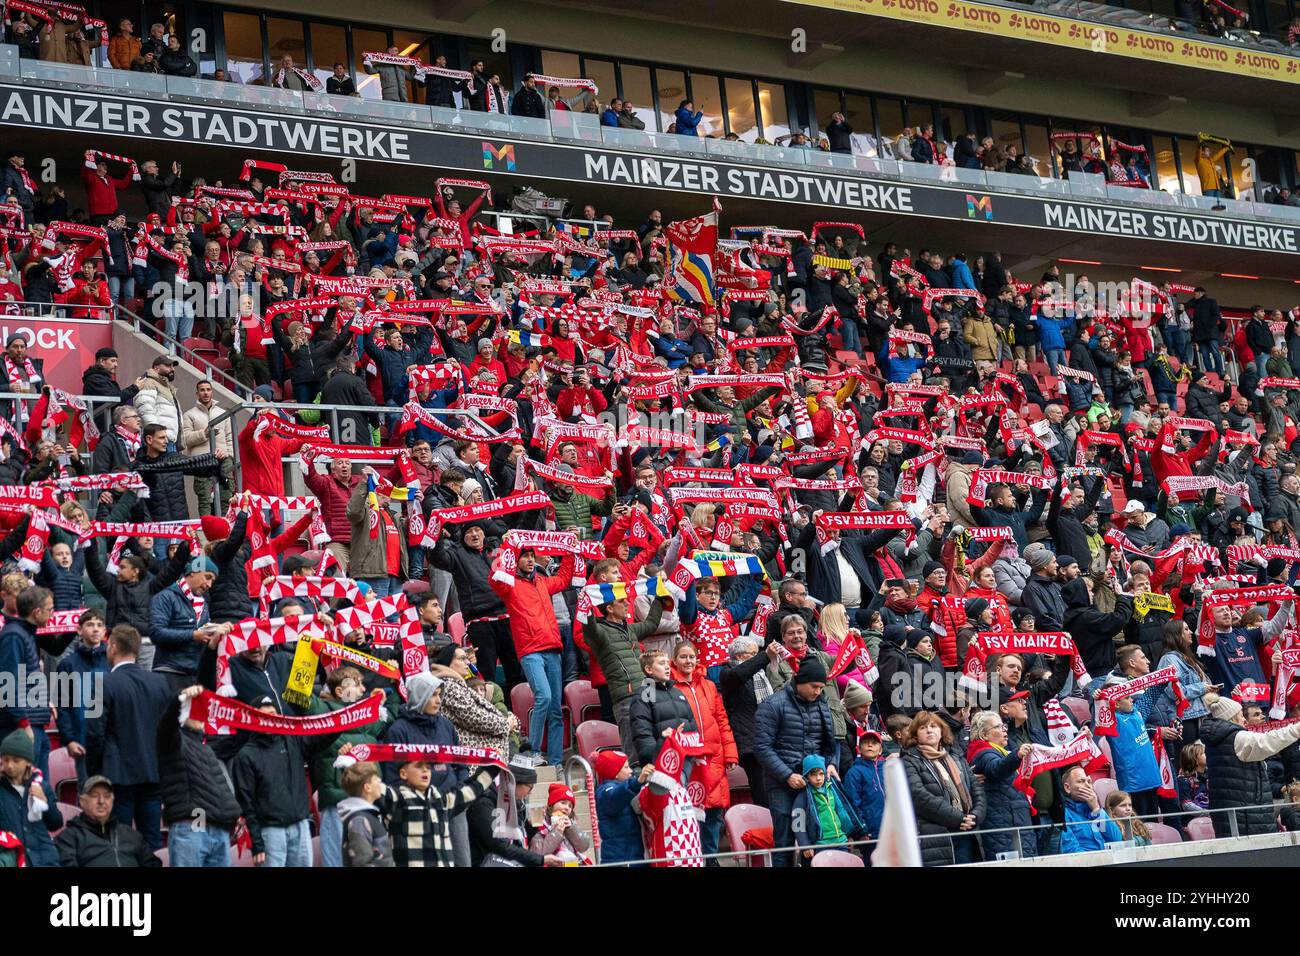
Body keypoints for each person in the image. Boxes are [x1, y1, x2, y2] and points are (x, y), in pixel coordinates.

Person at [84, 623, 174, 850]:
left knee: (118, 843)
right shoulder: (160, 682)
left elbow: (94, 733)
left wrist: (94, 773)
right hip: (153, 774)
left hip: (117, 777)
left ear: (112, 647)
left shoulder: (101, 683)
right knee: (152, 843)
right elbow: (170, 731)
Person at [490, 546, 573, 766]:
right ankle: (532, 752)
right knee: (544, 697)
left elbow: (564, 578)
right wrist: (506, 549)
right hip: (530, 650)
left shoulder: (543, 582)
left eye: (531, 556)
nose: (529, 560)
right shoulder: (509, 585)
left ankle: (555, 763)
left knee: (556, 710)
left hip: (553, 648)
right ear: (515, 560)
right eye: (524, 556)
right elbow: (494, 579)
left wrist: (570, 551)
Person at [753, 656, 838, 867]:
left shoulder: (822, 705)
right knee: (785, 842)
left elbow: (831, 743)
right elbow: (762, 748)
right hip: (782, 785)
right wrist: (787, 775)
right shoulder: (772, 705)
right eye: (814, 686)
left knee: (813, 838)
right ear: (799, 681)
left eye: (821, 687)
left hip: (813, 785)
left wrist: (831, 763)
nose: (818, 691)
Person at [669, 639, 738, 861]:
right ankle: (695, 858)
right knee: (693, 812)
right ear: (675, 660)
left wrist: (730, 752)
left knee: (715, 812)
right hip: (690, 759)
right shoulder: (669, 687)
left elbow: (721, 720)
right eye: (683, 657)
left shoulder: (708, 685)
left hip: (715, 756)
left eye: (691, 657)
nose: (688, 661)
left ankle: (711, 858)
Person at [1200, 693, 1300, 837]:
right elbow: (1270, 740)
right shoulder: (1237, 738)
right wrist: (1296, 729)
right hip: (1247, 818)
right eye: (1241, 715)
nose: (1244, 720)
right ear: (1232, 717)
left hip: (1238, 817)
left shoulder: (1219, 740)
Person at [901, 710, 985, 866]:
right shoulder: (909, 760)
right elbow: (919, 796)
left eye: (933, 726)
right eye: (923, 728)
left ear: (942, 731)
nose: (929, 730)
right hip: (937, 835)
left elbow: (976, 789)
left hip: (967, 830)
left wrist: (975, 815)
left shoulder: (955, 756)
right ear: (915, 735)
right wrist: (957, 817)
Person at [966, 709, 1035, 860]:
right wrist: (1017, 755)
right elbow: (996, 769)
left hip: (1013, 820)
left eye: (1003, 726)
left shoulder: (1000, 751)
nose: (1004, 730)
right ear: (984, 735)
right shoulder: (983, 753)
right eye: (998, 727)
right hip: (1003, 826)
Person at [56, 775, 161, 867]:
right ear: (82, 801)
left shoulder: (131, 834)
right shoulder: (69, 838)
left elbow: (152, 864)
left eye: (107, 796)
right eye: (94, 796)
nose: (101, 801)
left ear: (112, 800)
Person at [0, 729, 61, 867]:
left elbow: (56, 824)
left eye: (16, 760)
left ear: (28, 762)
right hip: (11, 860)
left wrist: (46, 804)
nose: (9, 765)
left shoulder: (42, 786)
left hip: (45, 859)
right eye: (6, 759)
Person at [593, 749, 651, 865]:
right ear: (614, 772)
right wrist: (636, 782)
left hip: (635, 855)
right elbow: (615, 797)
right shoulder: (605, 791)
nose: (630, 771)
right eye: (626, 767)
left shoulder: (624, 788)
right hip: (620, 859)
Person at [338, 761, 395, 867]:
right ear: (367, 787)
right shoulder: (359, 820)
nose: (380, 781)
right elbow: (362, 862)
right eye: (376, 779)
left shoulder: (369, 815)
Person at [1060, 763, 1123, 853]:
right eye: (1081, 781)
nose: (1088, 786)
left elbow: (1116, 840)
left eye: (1089, 782)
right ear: (1067, 788)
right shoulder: (1064, 813)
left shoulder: (1094, 810)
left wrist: (1096, 809)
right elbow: (1072, 851)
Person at [529, 783, 591, 862]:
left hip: (571, 864)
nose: (566, 808)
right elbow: (538, 853)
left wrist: (571, 829)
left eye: (570, 806)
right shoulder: (541, 824)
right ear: (552, 804)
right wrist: (557, 832)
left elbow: (584, 846)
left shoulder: (570, 823)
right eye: (563, 803)